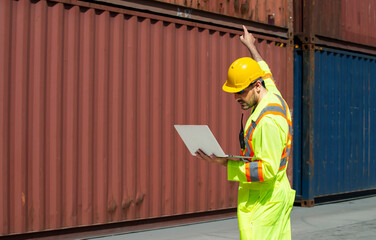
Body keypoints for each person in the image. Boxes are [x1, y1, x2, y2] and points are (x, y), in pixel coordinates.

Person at [195, 25, 295, 240]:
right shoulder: (272, 94)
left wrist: (224, 162)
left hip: (264, 201)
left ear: (257, 86)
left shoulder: (267, 121)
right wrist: (251, 46)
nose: (236, 97)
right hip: (274, 194)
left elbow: (267, 169)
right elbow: (264, 68)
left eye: (240, 91)